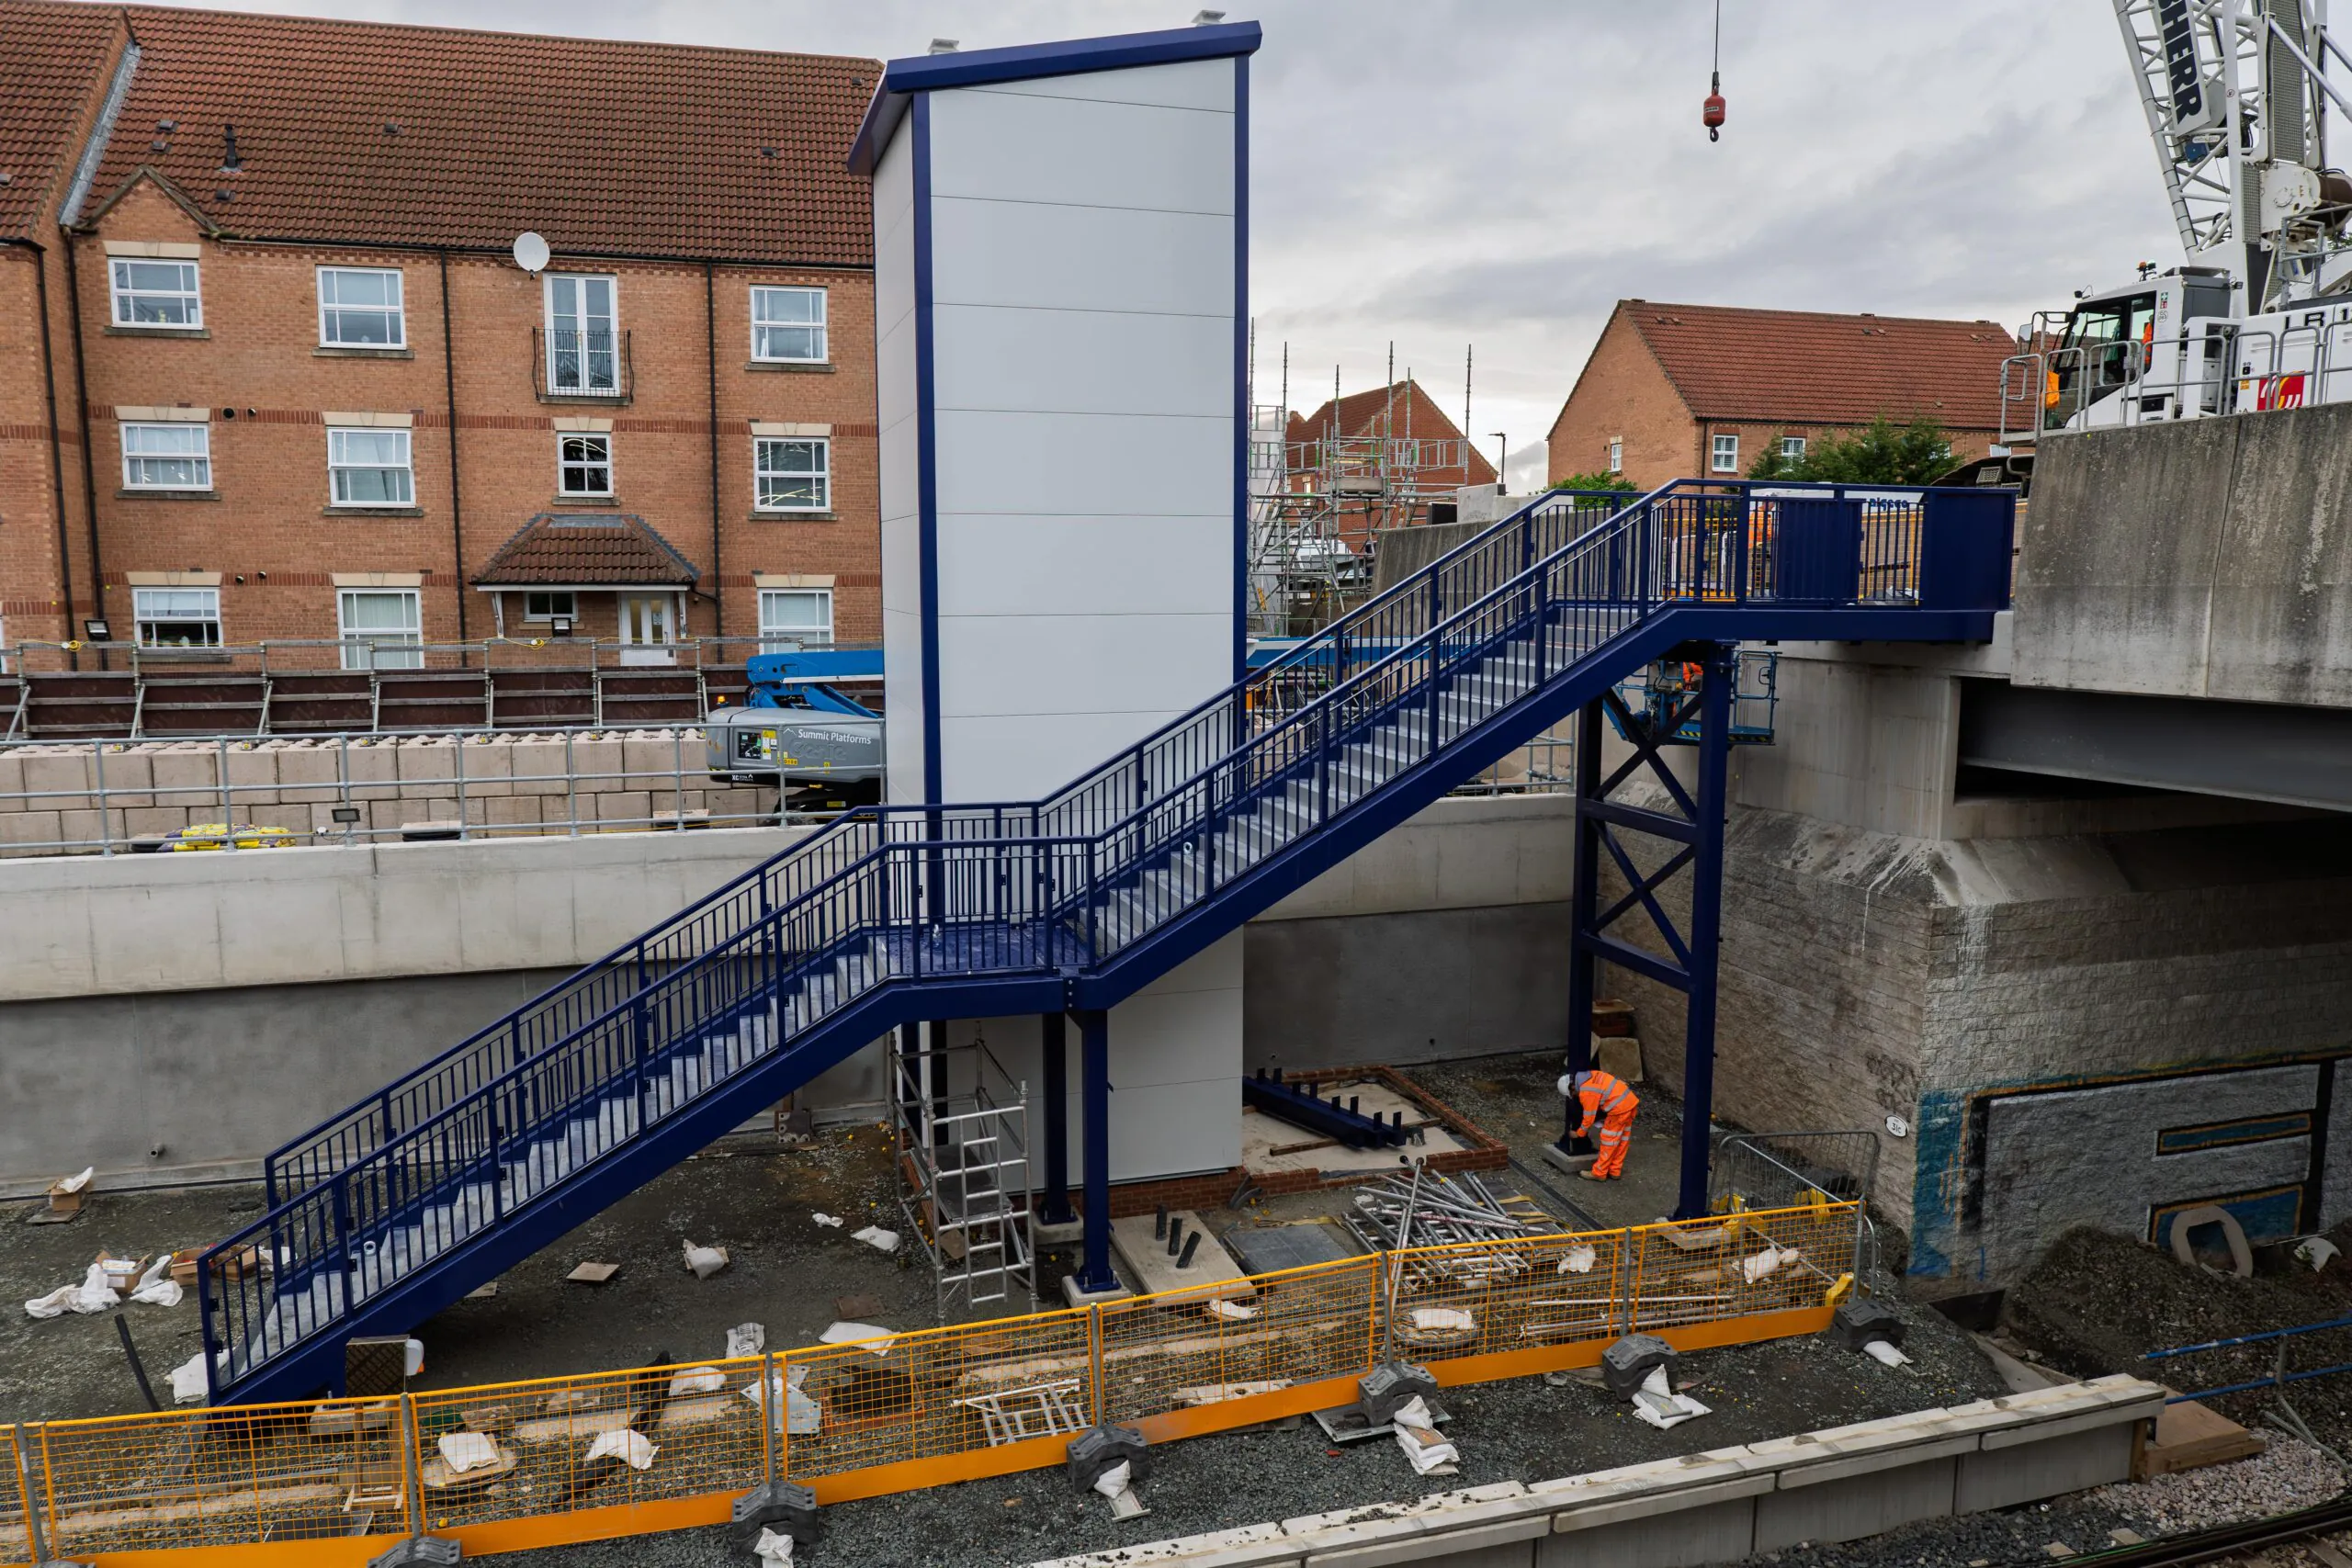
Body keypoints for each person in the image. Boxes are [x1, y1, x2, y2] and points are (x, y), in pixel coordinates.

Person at [1556, 1066, 1639, 1181]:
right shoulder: (1590, 1075)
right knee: (1622, 1139)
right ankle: (1615, 1171)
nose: (1575, 1095)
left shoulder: (1586, 1092)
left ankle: (1599, 1173)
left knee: (1608, 1141)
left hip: (1618, 1109)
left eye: (1573, 1094)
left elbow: (1588, 1118)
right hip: (1629, 1102)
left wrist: (1579, 1133)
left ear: (1572, 1087)